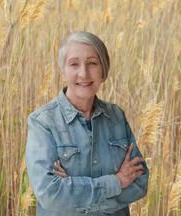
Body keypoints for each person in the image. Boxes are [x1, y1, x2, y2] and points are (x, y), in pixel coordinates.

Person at [25, 31, 149, 215]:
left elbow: (140, 182)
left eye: (92, 63)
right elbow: (50, 195)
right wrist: (116, 182)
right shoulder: (43, 123)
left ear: (103, 71)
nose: (83, 73)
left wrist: (73, 193)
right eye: (74, 64)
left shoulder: (116, 117)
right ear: (64, 71)